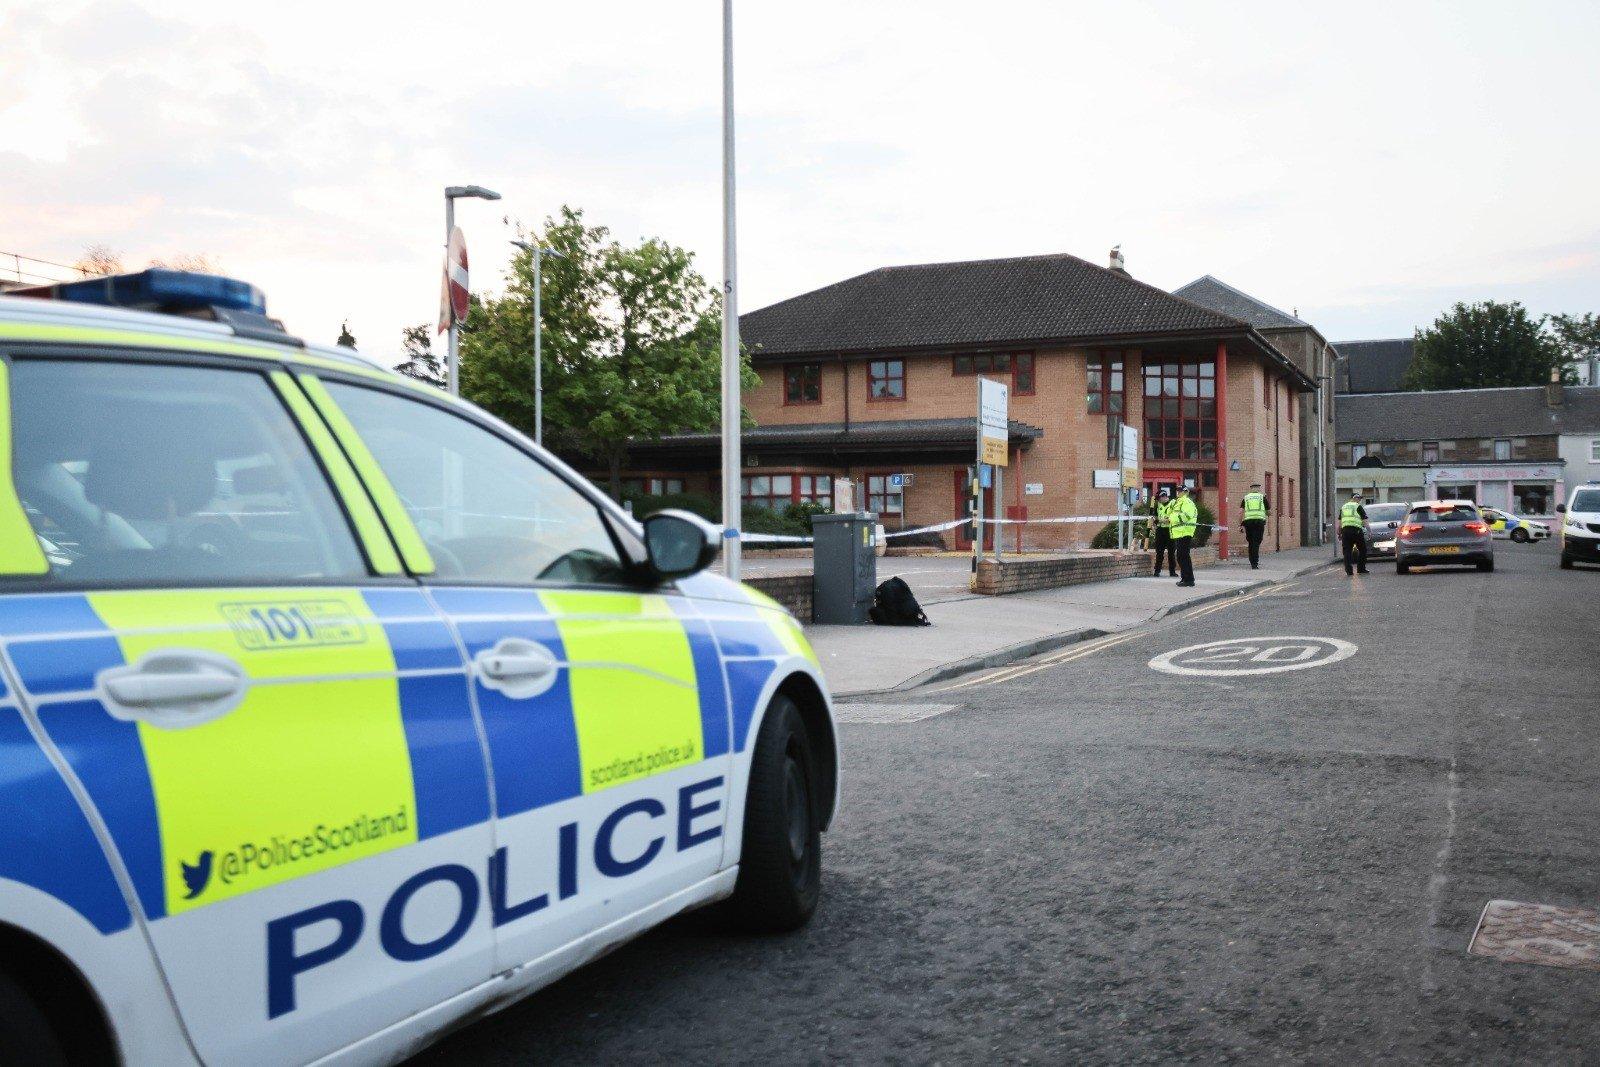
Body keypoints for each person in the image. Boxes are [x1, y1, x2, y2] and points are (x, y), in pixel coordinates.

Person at [1170, 484, 1198, 587]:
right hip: (1180, 532)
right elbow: (1173, 514)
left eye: (1181, 491)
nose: (1178, 492)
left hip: (1185, 532)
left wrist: (1171, 519)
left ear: (1186, 492)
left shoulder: (1186, 502)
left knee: (1183, 556)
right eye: (1177, 490)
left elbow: (1186, 516)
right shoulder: (1178, 502)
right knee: (1182, 556)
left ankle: (1188, 579)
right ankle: (1186, 578)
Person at [1339, 489, 1369, 575]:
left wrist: (1339, 532)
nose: (1359, 500)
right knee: (1362, 549)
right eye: (1358, 498)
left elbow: (1340, 520)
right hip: (1356, 531)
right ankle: (1361, 568)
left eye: (1360, 498)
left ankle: (1349, 570)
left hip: (1345, 531)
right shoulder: (1358, 506)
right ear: (1354, 498)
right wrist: (1369, 530)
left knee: (1347, 551)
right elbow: (1364, 520)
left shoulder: (1344, 507)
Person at [1240, 482, 1269, 570]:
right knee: (1257, 542)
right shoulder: (1262, 497)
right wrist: (1267, 515)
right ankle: (1255, 563)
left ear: (1251, 489)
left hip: (1248, 522)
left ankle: (1252, 561)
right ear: (1258, 489)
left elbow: (1241, 512)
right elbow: (1268, 510)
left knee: (1251, 542)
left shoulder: (1246, 497)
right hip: (1259, 522)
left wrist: (1240, 525)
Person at [1150, 489, 1175, 577]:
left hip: (1170, 530)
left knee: (1171, 552)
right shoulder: (1158, 505)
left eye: (1159, 498)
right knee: (1159, 552)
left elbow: (1173, 518)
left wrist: (1163, 520)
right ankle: (1157, 571)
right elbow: (1155, 517)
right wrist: (1154, 522)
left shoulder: (1173, 504)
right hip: (1160, 530)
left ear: (1164, 496)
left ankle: (1172, 572)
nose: (1158, 500)